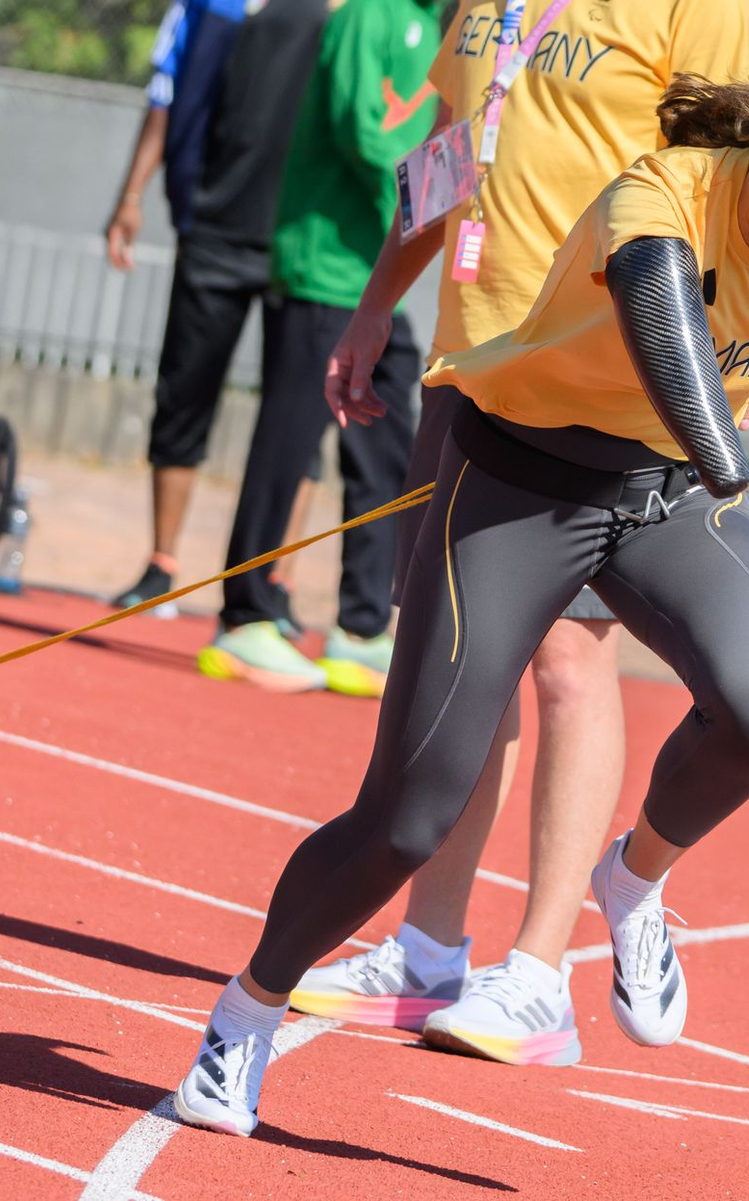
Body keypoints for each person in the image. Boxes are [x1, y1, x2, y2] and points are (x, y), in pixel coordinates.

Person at [173, 73, 749, 1137]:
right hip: (525, 479)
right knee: (409, 816)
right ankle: (243, 1015)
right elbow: (661, 320)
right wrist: (379, 295)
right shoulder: (665, 190)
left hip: (668, 494)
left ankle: (630, 883)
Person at [196, 0, 445, 696]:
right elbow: (363, 131)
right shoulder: (375, 13)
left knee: (389, 446)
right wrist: (439, 210)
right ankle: (244, 616)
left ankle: (362, 627)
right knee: (288, 441)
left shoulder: (447, 25)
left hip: (374, 280)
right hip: (327, 265)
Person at [105, 0, 329, 621]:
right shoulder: (206, 7)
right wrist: (131, 196)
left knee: (298, 419)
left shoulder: (340, 11)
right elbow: (164, 99)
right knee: (183, 394)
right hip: (215, 229)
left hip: (305, 237)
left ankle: (273, 583)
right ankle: (162, 566)